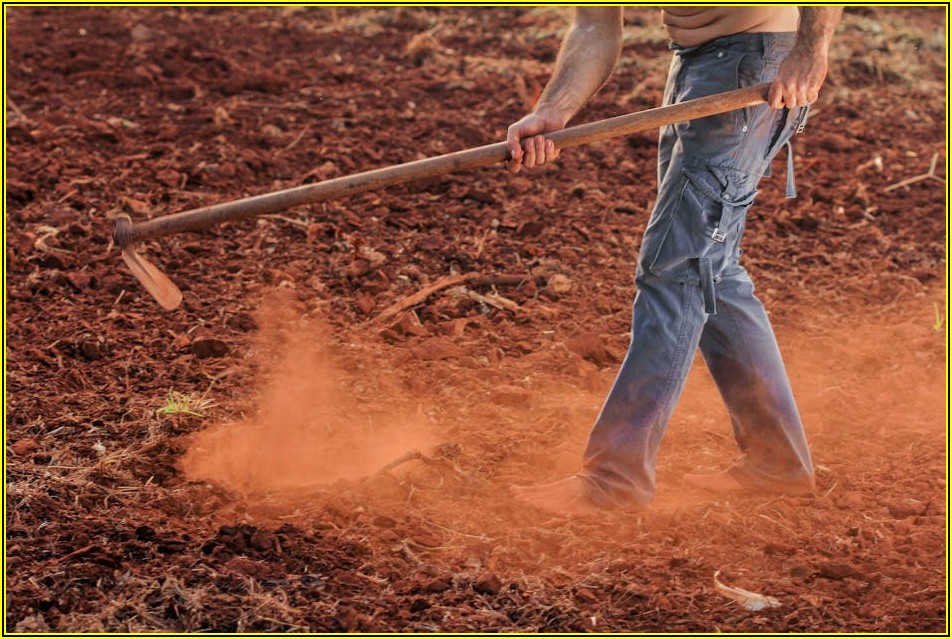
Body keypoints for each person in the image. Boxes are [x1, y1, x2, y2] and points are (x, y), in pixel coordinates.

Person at [507, 7, 843, 516]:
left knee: (678, 268)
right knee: (711, 269)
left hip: (756, 65)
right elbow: (597, 25)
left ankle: (613, 481)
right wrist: (553, 110)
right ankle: (778, 463)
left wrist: (810, 50)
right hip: (699, 64)